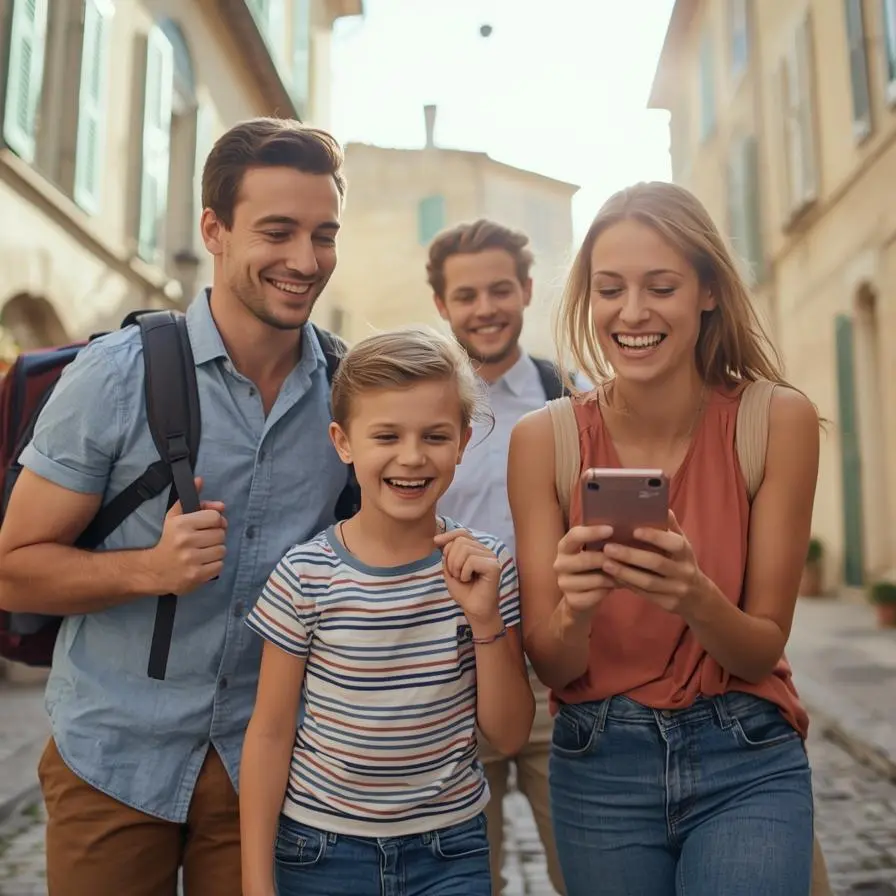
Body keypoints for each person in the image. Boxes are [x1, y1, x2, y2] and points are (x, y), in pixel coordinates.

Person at [0, 118, 352, 896]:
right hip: (113, 761)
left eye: (324, 234)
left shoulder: (350, 393)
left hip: (269, 768)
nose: (305, 260)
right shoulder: (113, 376)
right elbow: (11, 572)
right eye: (278, 231)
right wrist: (149, 570)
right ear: (214, 230)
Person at [508, 181, 820, 895]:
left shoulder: (776, 421)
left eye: (661, 286)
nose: (633, 312)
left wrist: (693, 595)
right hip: (598, 764)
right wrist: (574, 610)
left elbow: (761, 645)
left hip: (746, 753)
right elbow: (554, 668)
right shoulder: (543, 441)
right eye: (609, 288)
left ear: (707, 291)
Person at [239, 327, 535, 896]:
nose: (411, 457)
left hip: (450, 851)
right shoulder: (306, 574)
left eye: (434, 436)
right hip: (320, 851)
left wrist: (486, 624)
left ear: (463, 441)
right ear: (343, 442)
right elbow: (270, 732)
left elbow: (510, 733)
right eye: (386, 436)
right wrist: (256, 882)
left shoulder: (487, 567)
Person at [429, 219, 586, 895]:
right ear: (441, 304)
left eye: (499, 290)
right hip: (454, 672)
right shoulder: (425, 404)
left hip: (562, 672)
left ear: (525, 291)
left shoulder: (570, 396)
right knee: (465, 876)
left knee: (588, 869)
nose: (484, 308)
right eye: (466, 296)